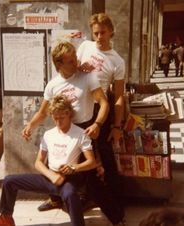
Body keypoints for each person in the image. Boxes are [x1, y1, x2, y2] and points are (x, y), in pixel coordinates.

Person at [22, 42, 125, 226]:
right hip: (62, 131)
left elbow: (104, 103)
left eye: (75, 58)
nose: (76, 63)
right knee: (51, 167)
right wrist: (30, 125)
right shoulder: (53, 85)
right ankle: (55, 199)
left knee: (92, 181)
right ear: (58, 64)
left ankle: (117, 218)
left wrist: (98, 124)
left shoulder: (87, 77)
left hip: (84, 130)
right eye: (70, 61)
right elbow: (43, 112)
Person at [0, 94, 97, 226]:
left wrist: (73, 168)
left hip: (69, 177)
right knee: (9, 181)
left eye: (62, 117)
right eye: (55, 118)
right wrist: (51, 175)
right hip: (50, 176)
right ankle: (6, 219)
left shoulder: (80, 134)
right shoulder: (49, 134)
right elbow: (38, 162)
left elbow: (92, 162)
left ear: (69, 115)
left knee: (70, 194)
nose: (58, 122)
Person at [77, 12, 125, 216]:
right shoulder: (85, 47)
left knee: (104, 153)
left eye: (102, 32)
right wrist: (80, 68)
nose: (98, 37)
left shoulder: (117, 61)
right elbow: (70, 72)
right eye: (95, 33)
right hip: (79, 105)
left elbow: (120, 97)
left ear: (111, 31)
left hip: (100, 109)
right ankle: (84, 196)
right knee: (79, 152)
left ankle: (116, 199)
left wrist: (116, 126)